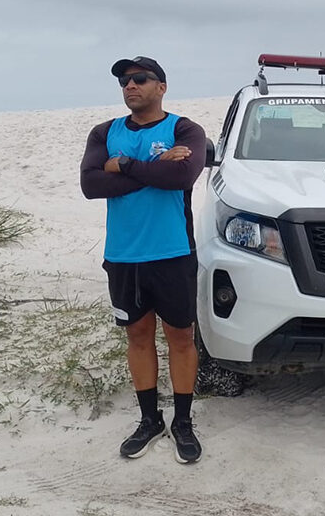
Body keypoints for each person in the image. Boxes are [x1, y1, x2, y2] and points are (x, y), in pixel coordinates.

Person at [80, 56, 207, 464]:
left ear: (161, 86)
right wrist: (154, 166)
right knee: (137, 336)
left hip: (172, 251)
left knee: (181, 338)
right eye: (124, 81)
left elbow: (182, 178)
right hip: (123, 254)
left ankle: (182, 422)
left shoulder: (185, 129)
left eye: (139, 79)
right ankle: (149, 419)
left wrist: (126, 166)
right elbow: (90, 184)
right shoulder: (104, 132)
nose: (129, 86)